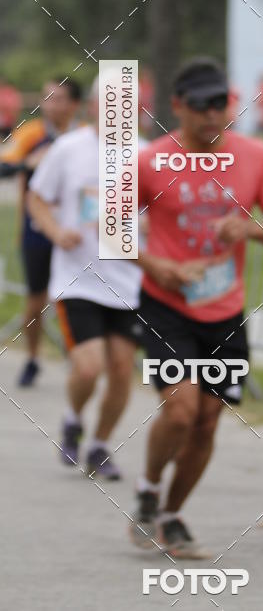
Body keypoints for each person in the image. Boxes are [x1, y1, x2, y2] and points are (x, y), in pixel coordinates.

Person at [130, 57, 263, 557]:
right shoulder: (151, 160)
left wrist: (248, 228)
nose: (211, 114)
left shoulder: (256, 156)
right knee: (180, 410)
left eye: (220, 103)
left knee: (207, 420)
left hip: (224, 309)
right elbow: (112, 230)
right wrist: (155, 265)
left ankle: (172, 515)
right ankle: (148, 487)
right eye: (200, 105)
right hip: (166, 304)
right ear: (177, 106)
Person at [28, 78, 142, 479]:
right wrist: (57, 231)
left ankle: (99, 445)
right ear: (93, 106)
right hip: (77, 278)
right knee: (90, 367)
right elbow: (36, 198)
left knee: (123, 370)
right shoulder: (68, 149)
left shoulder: (144, 155)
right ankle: (73, 417)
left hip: (128, 281)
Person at [0, 76, 82, 386]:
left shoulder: (85, 136)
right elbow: (3, 167)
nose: (50, 105)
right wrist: (27, 164)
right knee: (36, 299)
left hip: (77, 232)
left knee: (76, 297)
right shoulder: (30, 134)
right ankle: (33, 357)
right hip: (36, 230)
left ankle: (78, 357)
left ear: (74, 105)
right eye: (46, 98)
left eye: (58, 99)